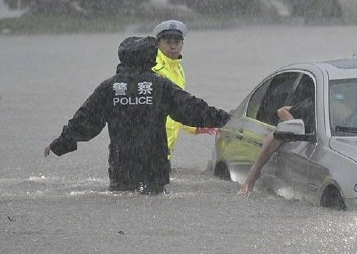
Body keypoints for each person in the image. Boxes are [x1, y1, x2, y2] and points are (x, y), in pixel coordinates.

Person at [44, 36, 232, 195]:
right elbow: (192, 109)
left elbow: (85, 121)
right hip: (155, 165)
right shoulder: (160, 86)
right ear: (150, 57)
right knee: (154, 204)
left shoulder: (109, 87)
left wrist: (60, 143)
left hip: (122, 165)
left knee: (123, 201)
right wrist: (226, 119)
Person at [151, 20, 215, 159]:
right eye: (168, 42)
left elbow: (179, 107)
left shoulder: (178, 69)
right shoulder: (153, 68)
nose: (173, 47)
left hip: (165, 147)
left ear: (182, 44)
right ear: (158, 43)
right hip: (152, 145)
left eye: (177, 42)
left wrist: (195, 126)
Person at [237, 97, 315, 195]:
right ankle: (253, 174)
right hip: (270, 138)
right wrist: (292, 124)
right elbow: (281, 111)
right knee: (276, 135)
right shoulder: (313, 107)